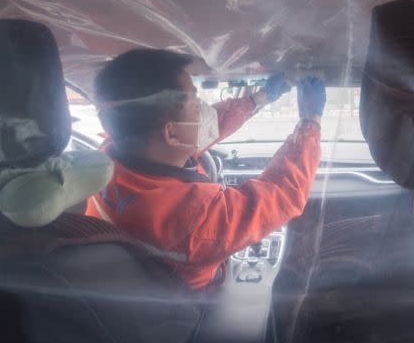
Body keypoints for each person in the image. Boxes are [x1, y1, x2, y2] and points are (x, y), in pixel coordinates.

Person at [86, 48, 326, 289]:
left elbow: (192, 130)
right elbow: (282, 193)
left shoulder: (108, 157)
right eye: (195, 103)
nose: (204, 110)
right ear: (171, 132)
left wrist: (258, 98)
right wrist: (310, 121)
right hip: (198, 305)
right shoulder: (194, 220)